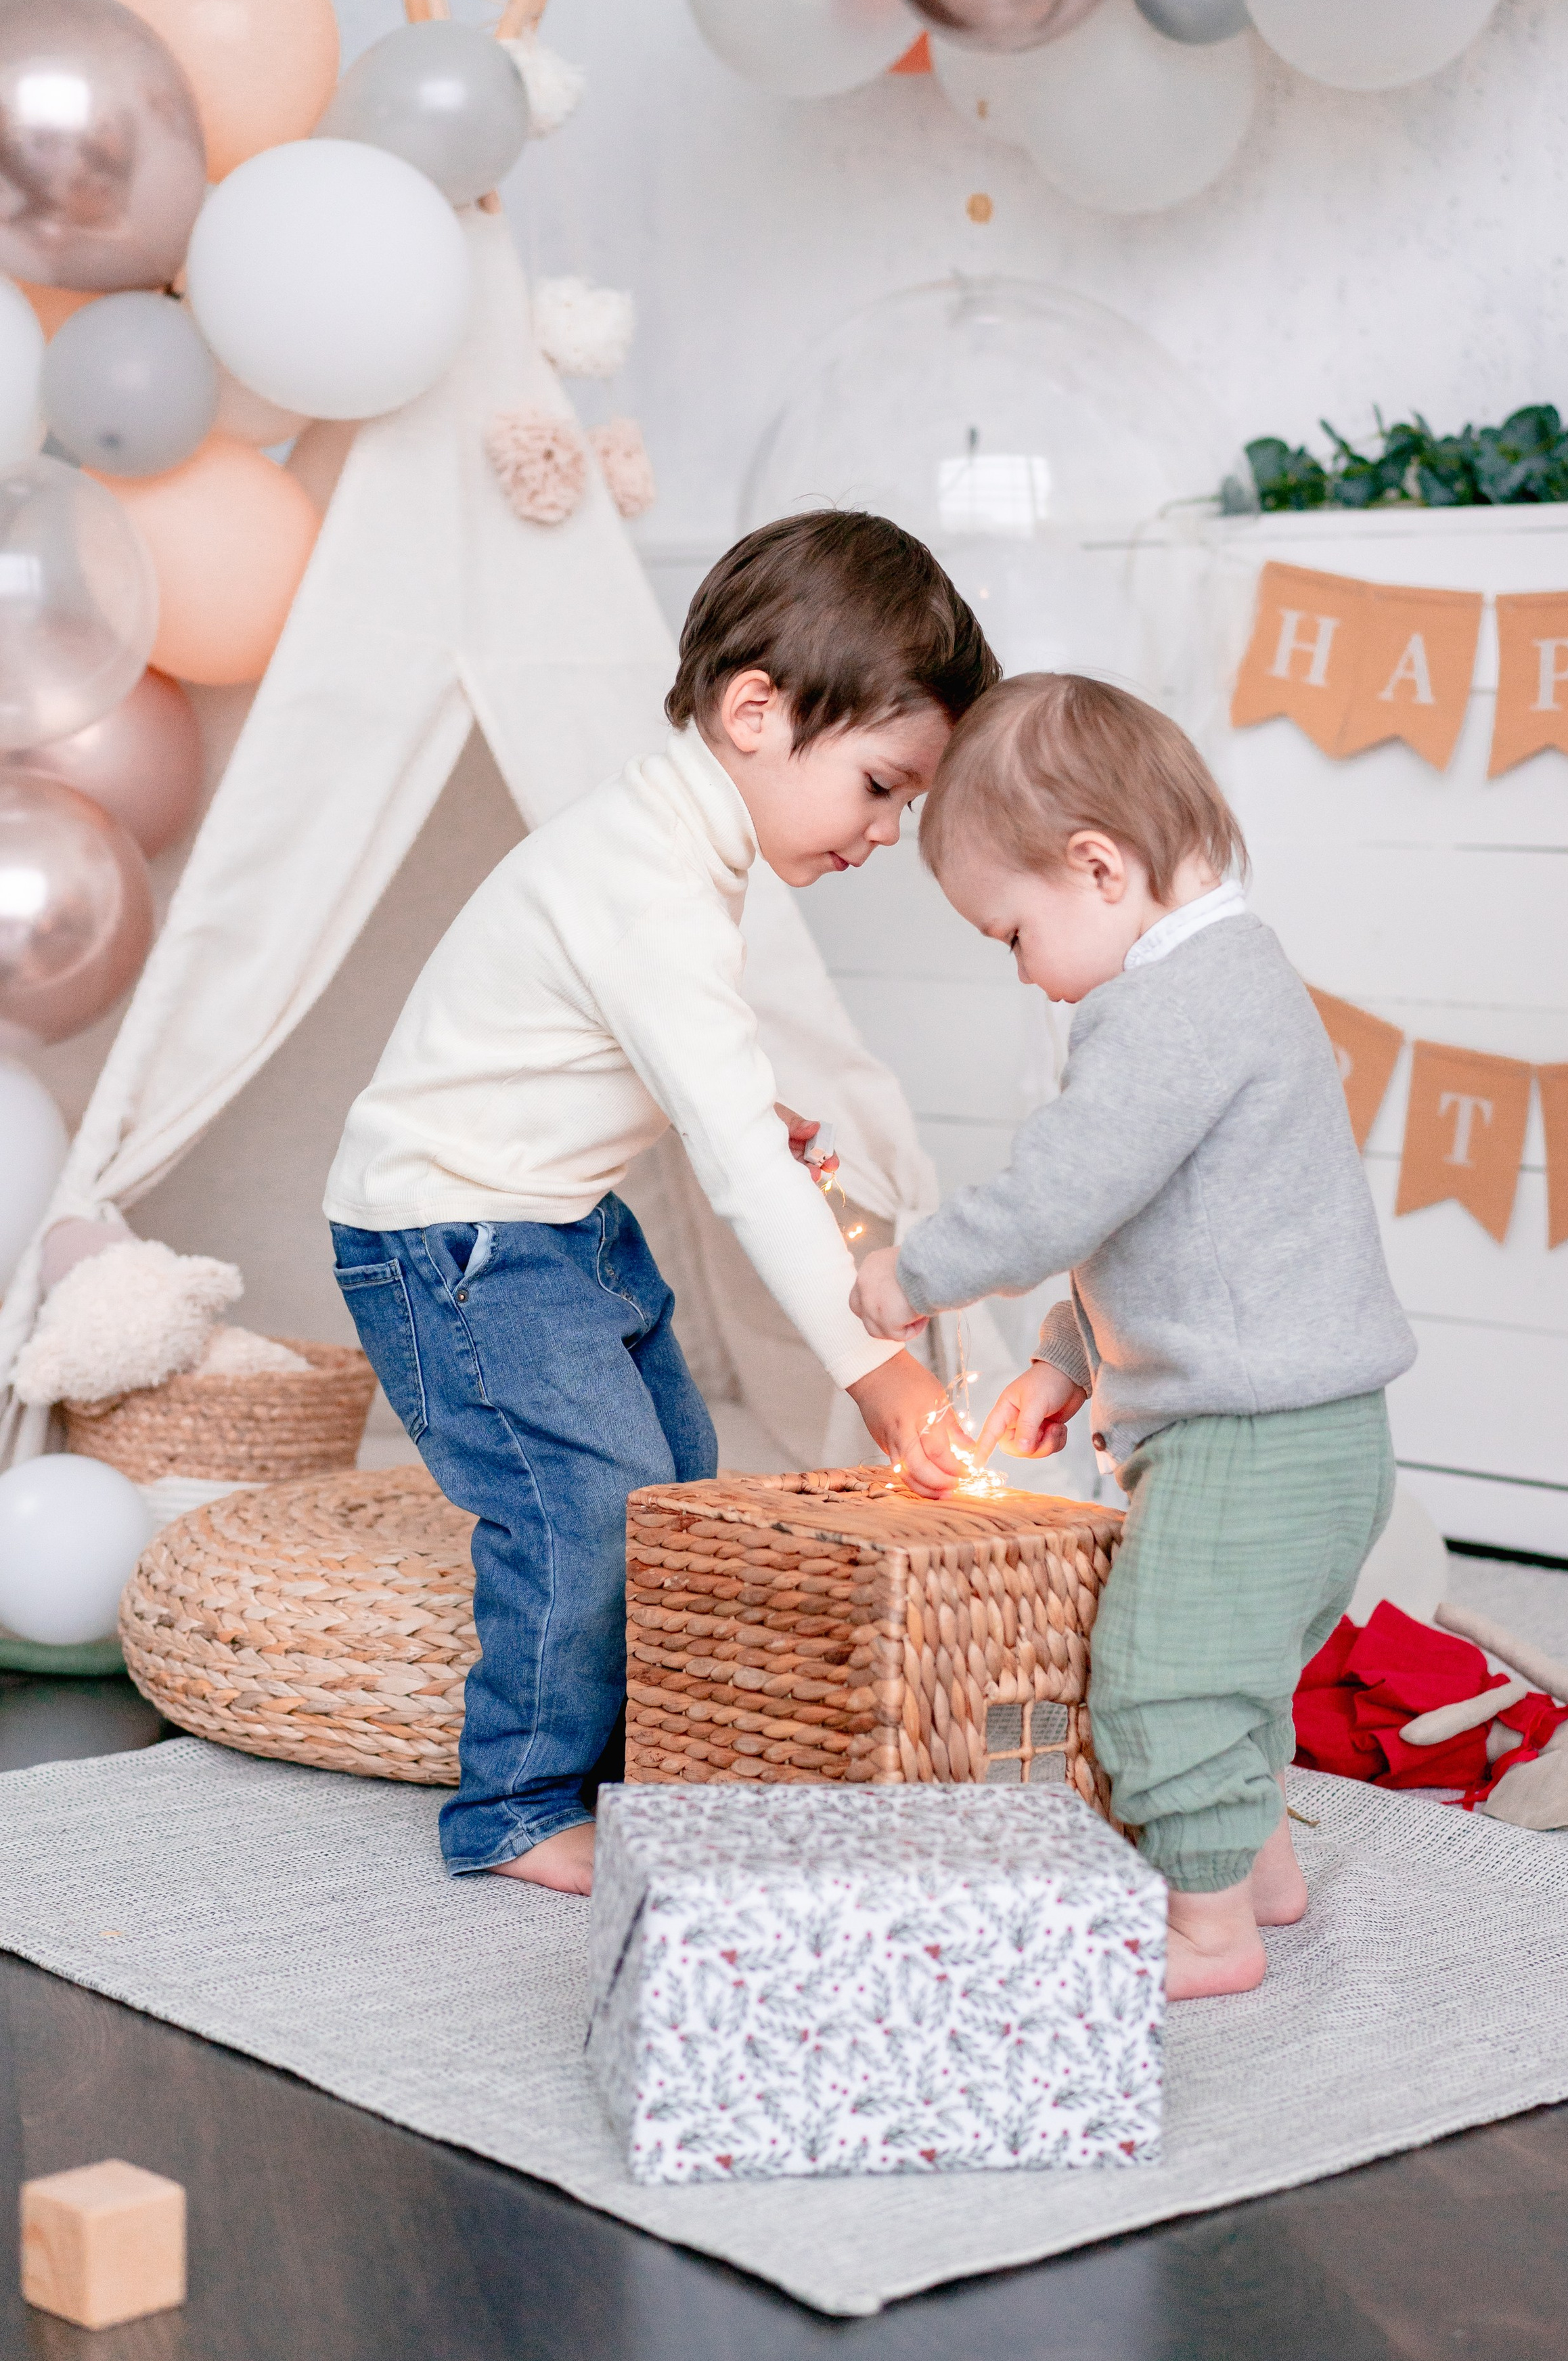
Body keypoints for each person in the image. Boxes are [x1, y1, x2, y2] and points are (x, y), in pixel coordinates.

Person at [327, 513, 1000, 1893]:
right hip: (450, 1237)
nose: (883, 832)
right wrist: (877, 1372)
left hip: (554, 1223)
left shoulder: (676, 856)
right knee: (588, 1499)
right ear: (756, 710)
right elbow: (740, 1176)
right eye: (879, 786)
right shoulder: (644, 875)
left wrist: (752, 1108)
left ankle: (646, 1754)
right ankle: (514, 1804)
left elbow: (644, 1062)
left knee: (676, 1480)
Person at [851, 673, 1416, 1999]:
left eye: (1011, 933)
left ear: (1094, 867)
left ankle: (1206, 1931)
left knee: (1160, 1678)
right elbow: (1172, 1233)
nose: (1025, 973)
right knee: (1229, 1675)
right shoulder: (1222, 981)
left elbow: (1070, 1185)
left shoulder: (1177, 1006)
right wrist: (1065, 1355)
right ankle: (1256, 1873)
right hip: (1296, 1431)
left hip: (1255, 1438)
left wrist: (914, 1269)